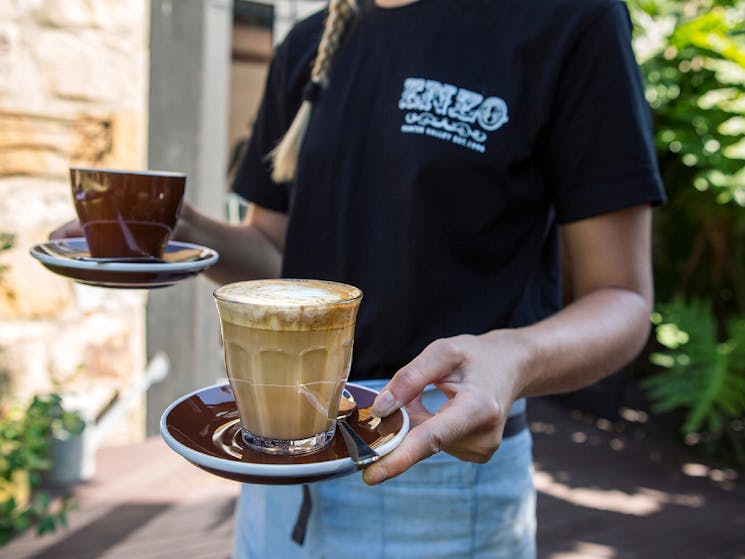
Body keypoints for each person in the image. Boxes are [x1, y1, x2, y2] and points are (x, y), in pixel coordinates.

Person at [53, 0, 665, 556]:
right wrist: (177, 229)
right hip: (272, 463)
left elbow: (623, 298)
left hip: (438, 471)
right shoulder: (309, 44)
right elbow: (277, 254)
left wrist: (516, 358)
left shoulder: (568, 18)